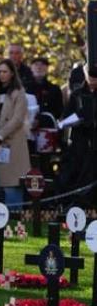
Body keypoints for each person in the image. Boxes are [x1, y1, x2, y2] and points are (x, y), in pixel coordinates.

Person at [0, 59, 30, 208]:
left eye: (5, 72)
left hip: (12, 144)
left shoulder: (19, 93)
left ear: (11, 74)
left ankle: (15, 218)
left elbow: (17, 119)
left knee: (11, 185)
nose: (2, 75)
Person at [58, 65, 97, 203]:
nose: (93, 79)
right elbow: (65, 118)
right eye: (90, 75)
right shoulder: (77, 94)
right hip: (79, 143)